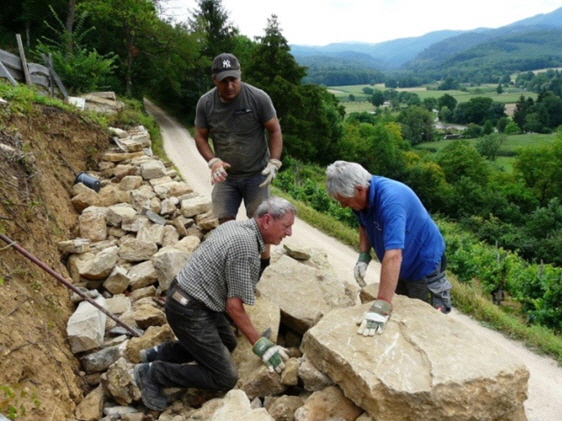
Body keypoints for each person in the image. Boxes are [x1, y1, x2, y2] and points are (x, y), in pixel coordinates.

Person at [133, 196, 296, 411]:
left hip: (188, 296)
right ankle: (153, 373)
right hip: (188, 309)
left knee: (227, 343)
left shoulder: (238, 227)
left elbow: (259, 263)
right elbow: (233, 307)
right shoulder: (245, 246)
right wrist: (262, 346)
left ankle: (158, 353)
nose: (289, 233)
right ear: (266, 221)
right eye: (286, 227)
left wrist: (269, 243)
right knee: (224, 376)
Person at [325, 161, 452, 338]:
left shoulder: (392, 201)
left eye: (346, 202)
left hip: (423, 264)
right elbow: (364, 225)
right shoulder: (361, 200)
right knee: (401, 314)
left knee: (425, 322)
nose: (344, 207)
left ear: (361, 189)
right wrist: (363, 256)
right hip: (402, 268)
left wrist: (382, 305)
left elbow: (393, 256)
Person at [194, 52, 283, 275]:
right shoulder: (206, 103)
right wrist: (213, 161)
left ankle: (262, 266)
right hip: (226, 176)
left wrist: (273, 161)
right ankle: (231, 266)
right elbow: (200, 136)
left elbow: (274, 129)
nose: (230, 85)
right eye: (224, 80)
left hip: (257, 174)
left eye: (234, 79)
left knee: (262, 224)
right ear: (214, 79)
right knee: (225, 222)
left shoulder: (258, 98)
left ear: (240, 76)